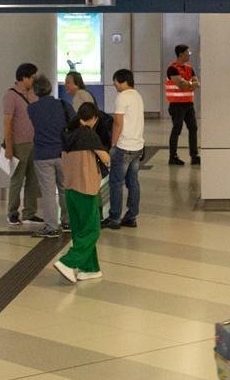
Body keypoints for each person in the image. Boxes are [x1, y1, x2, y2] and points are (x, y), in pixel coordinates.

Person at [51, 103, 110, 284]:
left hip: (70, 189)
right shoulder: (88, 134)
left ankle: (90, 268)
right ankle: (68, 262)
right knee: (92, 230)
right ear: (94, 118)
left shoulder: (67, 132)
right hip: (86, 188)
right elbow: (106, 158)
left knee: (80, 231)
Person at [27, 75, 74, 238]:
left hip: (42, 154)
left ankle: (52, 227)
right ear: (50, 88)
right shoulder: (64, 105)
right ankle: (68, 222)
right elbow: (74, 123)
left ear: (35, 91)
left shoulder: (32, 108)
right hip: (63, 153)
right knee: (65, 189)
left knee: (48, 192)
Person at [2, 62, 41, 227]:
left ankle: (29, 213)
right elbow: (7, 123)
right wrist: (9, 147)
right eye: (32, 77)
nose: (34, 80)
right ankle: (12, 213)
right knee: (17, 179)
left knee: (33, 179)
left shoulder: (34, 93)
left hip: (35, 143)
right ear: (24, 77)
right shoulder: (11, 95)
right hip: (19, 145)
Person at [105, 68, 144, 230]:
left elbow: (117, 123)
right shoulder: (137, 96)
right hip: (137, 146)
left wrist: (113, 144)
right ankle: (131, 216)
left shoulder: (122, 97)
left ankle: (114, 218)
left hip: (124, 146)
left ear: (122, 81)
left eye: (115, 82)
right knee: (133, 182)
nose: (114, 85)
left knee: (116, 182)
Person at [166, 44, 200, 166]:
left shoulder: (189, 68)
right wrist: (190, 84)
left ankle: (194, 156)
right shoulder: (172, 69)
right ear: (181, 54)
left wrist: (188, 84)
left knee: (193, 128)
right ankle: (173, 157)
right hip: (176, 105)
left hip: (188, 104)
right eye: (187, 53)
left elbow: (196, 83)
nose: (189, 55)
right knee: (177, 129)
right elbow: (181, 85)